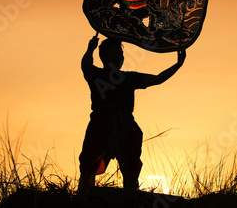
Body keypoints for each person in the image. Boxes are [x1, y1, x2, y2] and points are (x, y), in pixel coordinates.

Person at [78, 35, 186, 191]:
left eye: (121, 54)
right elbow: (86, 65)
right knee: (89, 162)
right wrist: (90, 49)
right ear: (104, 56)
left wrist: (178, 65)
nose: (120, 56)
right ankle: (84, 197)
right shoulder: (96, 75)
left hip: (126, 126)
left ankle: (130, 197)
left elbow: (157, 79)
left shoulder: (129, 77)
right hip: (100, 124)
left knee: (131, 165)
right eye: (116, 52)